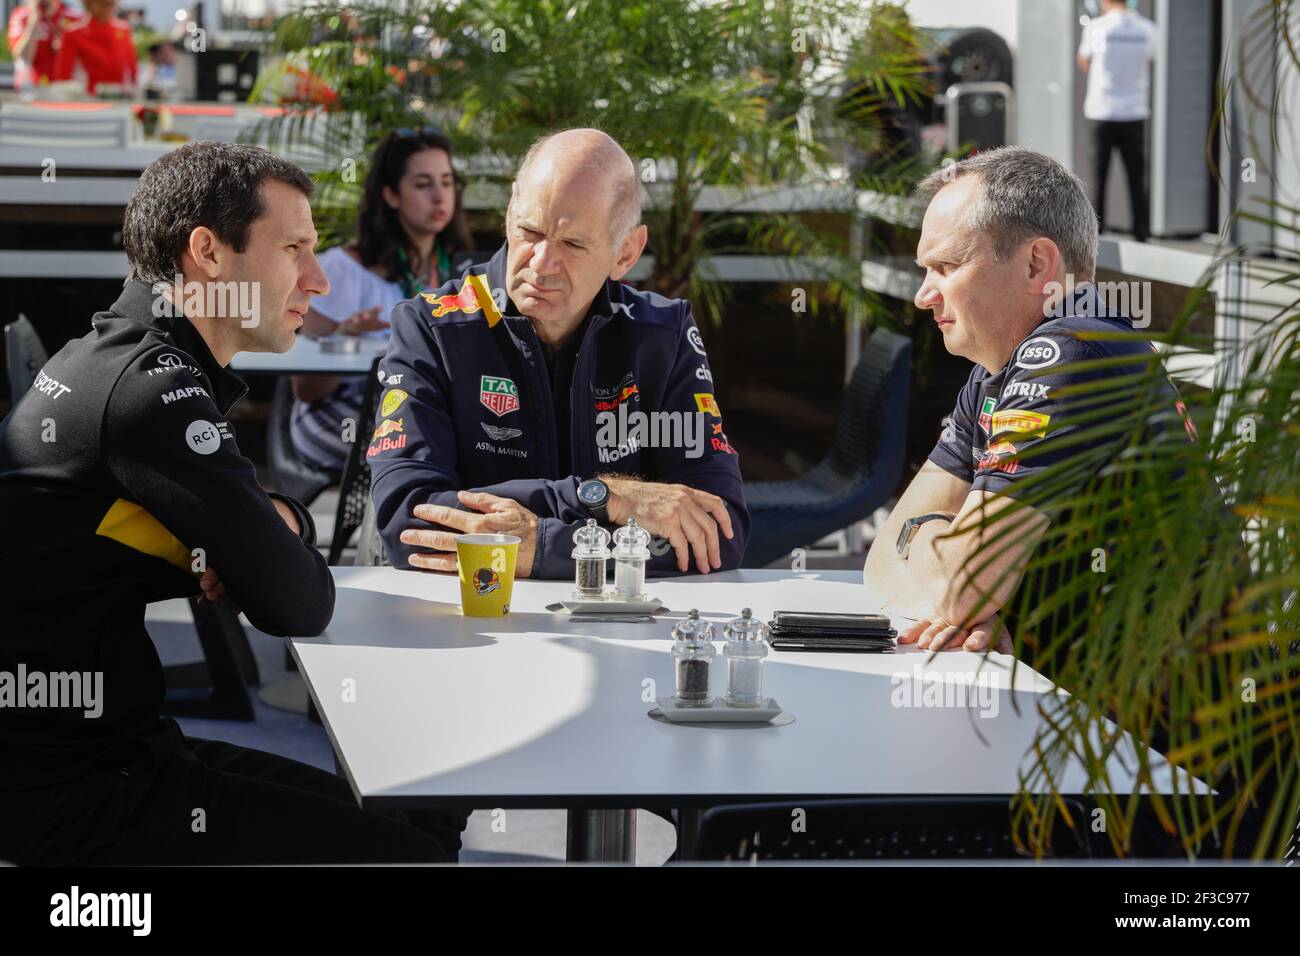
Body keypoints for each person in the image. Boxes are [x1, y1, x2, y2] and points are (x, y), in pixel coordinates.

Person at [0, 142, 454, 865]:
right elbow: (298, 600)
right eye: (295, 249)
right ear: (208, 253)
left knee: (421, 821)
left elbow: (255, 549)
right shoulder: (152, 391)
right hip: (72, 798)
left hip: (105, 756)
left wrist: (272, 529)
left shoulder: (125, 355)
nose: (318, 280)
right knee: (411, 852)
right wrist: (262, 544)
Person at [369, 128, 749, 579]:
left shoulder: (661, 337)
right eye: (529, 230)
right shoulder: (432, 328)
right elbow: (408, 520)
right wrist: (606, 498)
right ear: (511, 209)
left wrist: (540, 547)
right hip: (473, 624)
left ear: (626, 252)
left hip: (626, 636)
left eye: (573, 244)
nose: (541, 263)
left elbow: (717, 534)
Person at [862, 146, 1193, 655]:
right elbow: (880, 561)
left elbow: (960, 584)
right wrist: (967, 595)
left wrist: (944, 565)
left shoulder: (1069, 351)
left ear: (1037, 264)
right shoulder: (997, 371)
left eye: (947, 265)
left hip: (1161, 727)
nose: (923, 296)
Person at [290, 127, 474, 475]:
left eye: (447, 182)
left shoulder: (461, 269)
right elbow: (307, 390)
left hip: (422, 413)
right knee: (423, 449)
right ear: (390, 194)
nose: (439, 197)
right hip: (340, 415)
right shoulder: (339, 271)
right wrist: (344, 335)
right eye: (423, 184)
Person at [1077, 0, 1157, 243]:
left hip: (1104, 110)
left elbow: (1085, 60)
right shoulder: (1146, 28)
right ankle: (1141, 230)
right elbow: (1150, 59)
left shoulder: (1098, 28)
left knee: (1099, 174)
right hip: (1134, 111)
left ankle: (1096, 231)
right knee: (1136, 174)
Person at [55, 0, 138, 95]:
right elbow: (63, 77)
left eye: (112, 3)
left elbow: (132, 69)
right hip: (87, 99)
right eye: (103, 3)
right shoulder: (73, 33)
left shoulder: (124, 30)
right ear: (89, 3)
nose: (109, 6)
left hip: (118, 99)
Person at [6, 0, 71, 91]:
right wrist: (33, 21)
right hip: (31, 88)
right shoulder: (21, 16)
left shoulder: (70, 14)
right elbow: (24, 56)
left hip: (62, 88)